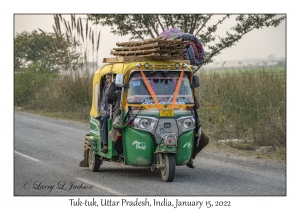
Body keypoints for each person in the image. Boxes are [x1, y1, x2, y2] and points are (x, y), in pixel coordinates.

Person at [186, 94, 209, 168]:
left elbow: (197, 106)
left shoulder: (184, 89)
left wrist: (192, 94)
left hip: (188, 122)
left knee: (204, 139)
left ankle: (189, 157)